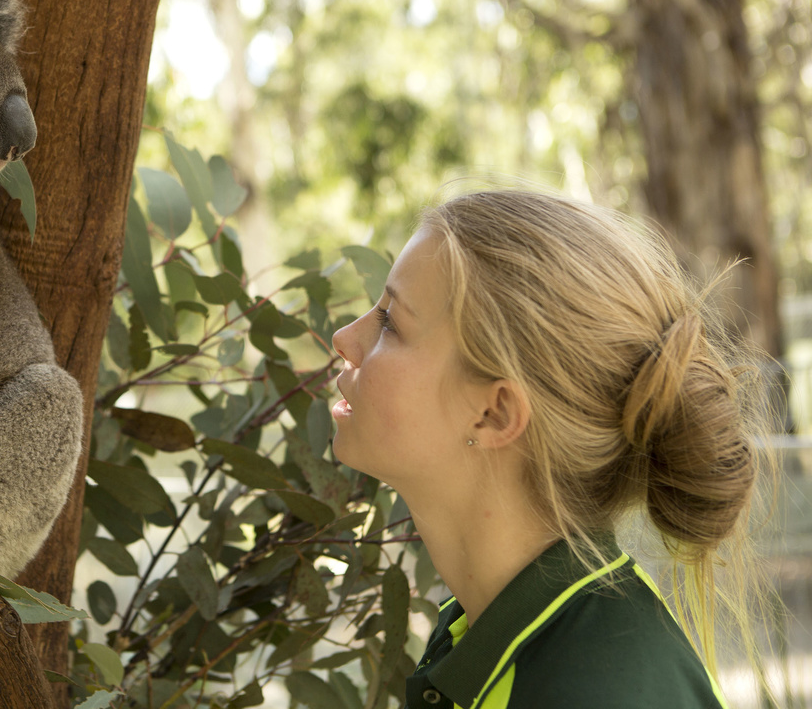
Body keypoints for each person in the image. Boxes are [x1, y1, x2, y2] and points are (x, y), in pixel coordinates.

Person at [331, 190, 775, 708]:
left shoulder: (594, 691)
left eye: (390, 322)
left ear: (495, 413)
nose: (346, 337)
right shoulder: (485, 629)